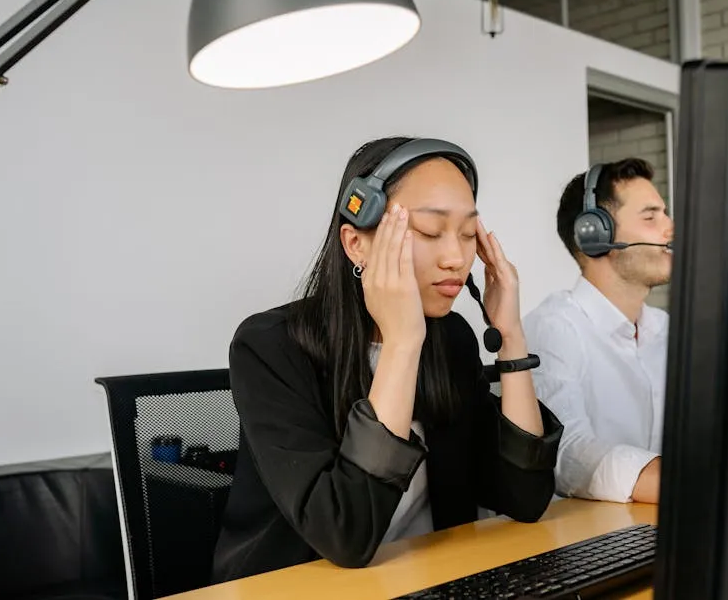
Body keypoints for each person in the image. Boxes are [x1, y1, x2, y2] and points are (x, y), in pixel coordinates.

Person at [212, 137, 562, 582]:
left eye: (469, 234)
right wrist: (400, 343)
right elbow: (348, 537)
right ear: (357, 243)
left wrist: (510, 339)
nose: (456, 257)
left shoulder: (451, 339)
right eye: (431, 232)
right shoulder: (270, 347)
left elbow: (526, 496)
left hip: (429, 576)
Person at [522, 158, 673, 505]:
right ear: (594, 233)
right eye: (651, 217)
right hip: (583, 544)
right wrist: (683, 483)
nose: (670, 228)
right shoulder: (554, 328)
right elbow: (569, 455)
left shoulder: (667, 330)